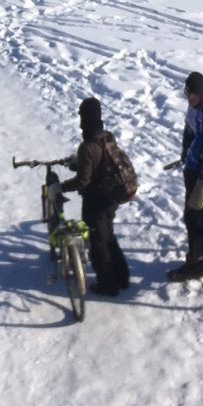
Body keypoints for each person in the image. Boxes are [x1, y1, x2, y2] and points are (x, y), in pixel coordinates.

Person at [50, 97, 137, 297]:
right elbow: (102, 163)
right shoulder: (107, 136)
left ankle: (107, 285)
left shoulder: (87, 146)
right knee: (108, 235)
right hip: (113, 196)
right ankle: (122, 276)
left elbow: (83, 181)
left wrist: (60, 187)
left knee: (97, 243)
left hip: (96, 201)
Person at [167, 71, 203, 282]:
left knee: (193, 216)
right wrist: (185, 154)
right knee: (200, 216)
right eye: (187, 93)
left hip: (202, 173)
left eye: (193, 94)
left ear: (202, 93)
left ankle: (195, 262)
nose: (190, 97)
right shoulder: (193, 110)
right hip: (192, 168)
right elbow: (189, 133)